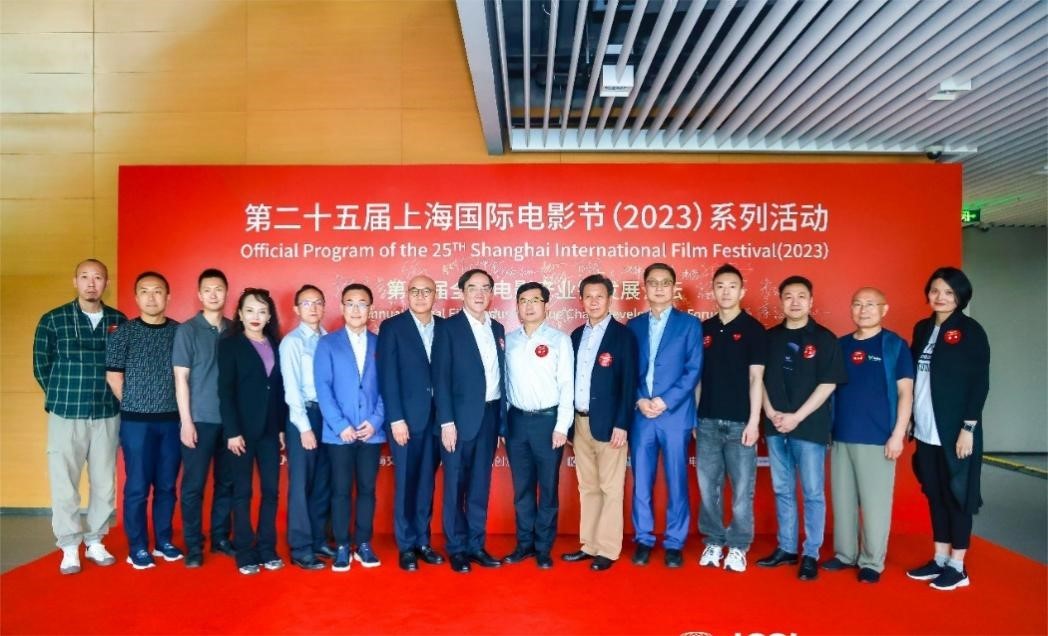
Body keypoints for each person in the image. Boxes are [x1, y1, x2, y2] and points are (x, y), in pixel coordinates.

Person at [33, 259, 126, 574]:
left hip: (107, 412)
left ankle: (96, 540)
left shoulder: (118, 321)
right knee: (64, 482)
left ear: (106, 283)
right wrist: (62, 394)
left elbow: (125, 367)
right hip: (66, 413)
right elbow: (41, 365)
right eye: (85, 277)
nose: (91, 283)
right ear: (75, 281)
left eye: (98, 277)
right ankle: (70, 546)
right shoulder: (53, 320)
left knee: (104, 482)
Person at [757, 275, 847, 581]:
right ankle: (786, 548)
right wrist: (770, 412)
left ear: (811, 301)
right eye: (788, 296)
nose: (794, 302)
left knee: (812, 492)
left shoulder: (824, 338)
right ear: (780, 301)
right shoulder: (769, 338)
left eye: (801, 296)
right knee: (782, 489)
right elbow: (758, 379)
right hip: (775, 425)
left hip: (809, 427)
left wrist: (797, 416)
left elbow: (828, 384)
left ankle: (811, 553)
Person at [906, 267, 990, 591]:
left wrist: (969, 427)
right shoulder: (923, 328)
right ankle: (939, 558)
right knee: (935, 493)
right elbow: (914, 378)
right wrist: (910, 417)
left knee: (958, 495)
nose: (940, 297)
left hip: (956, 432)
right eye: (935, 290)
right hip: (925, 429)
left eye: (949, 292)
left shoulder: (971, 331)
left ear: (960, 297)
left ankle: (958, 565)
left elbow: (979, 383)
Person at [823, 287, 914, 584]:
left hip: (878, 439)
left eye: (871, 304)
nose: (864, 310)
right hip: (841, 436)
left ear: (884, 309)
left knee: (875, 505)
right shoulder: (841, 345)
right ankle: (845, 554)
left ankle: (872, 561)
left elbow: (905, 392)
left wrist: (898, 434)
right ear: (851, 309)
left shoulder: (894, 346)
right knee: (842, 500)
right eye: (858, 304)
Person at [626, 262, 703, 568]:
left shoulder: (690, 325)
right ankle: (643, 538)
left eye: (665, 282)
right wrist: (639, 399)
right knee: (641, 481)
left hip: (675, 415)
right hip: (641, 415)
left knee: (677, 479)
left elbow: (693, 369)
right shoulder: (633, 326)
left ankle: (674, 542)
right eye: (653, 282)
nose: (659, 288)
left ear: (674, 288)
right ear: (645, 288)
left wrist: (665, 400)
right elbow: (628, 370)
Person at [105, 271, 182, 569]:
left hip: (172, 422)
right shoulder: (123, 333)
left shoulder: (179, 332)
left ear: (168, 296)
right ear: (136, 297)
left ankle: (163, 541)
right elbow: (114, 377)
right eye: (145, 291)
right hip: (136, 423)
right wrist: (136, 403)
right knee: (137, 486)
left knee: (167, 485)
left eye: (158, 291)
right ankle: (137, 546)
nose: (152, 297)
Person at [433, 268, 507, 573]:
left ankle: (476, 544)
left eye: (485, 287)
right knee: (455, 485)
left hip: (489, 416)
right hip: (458, 420)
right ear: (462, 292)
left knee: (479, 485)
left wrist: (501, 422)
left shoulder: (497, 328)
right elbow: (440, 378)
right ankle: (456, 548)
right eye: (473, 287)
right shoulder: (448, 328)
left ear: (491, 293)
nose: (479, 293)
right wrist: (446, 422)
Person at [562, 274, 637, 571]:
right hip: (580, 423)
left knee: (610, 488)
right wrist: (568, 425)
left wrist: (622, 424)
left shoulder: (623, 336)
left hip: (610, 425)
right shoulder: (575, 336)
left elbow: (629, 384)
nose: (594, 302)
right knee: (588, 487)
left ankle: (607, 548)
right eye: (588, 297)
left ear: (609, 299)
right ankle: (589, 544)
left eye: (600, 296)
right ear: (581, 300)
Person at [695, 264, 767, 573]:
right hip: (707, 422)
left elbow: (756, 378)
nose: (726, 292)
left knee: (741, 491)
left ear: (742, 291)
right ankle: (714, 540)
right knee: (708, 488)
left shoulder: (753, 329)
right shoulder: (704, 330)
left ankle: (738, 545)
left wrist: (754, 422)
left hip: (740, 424)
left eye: (732, 286)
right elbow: (697, 379)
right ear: (713, 290)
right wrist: (697, 417)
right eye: (720, 286)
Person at [501, 282, 574, 570]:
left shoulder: (559, 340)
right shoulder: (509, 341)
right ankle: (524, 545)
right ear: (517, 307)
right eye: (523, 300)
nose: (529, 306)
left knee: (548, 488)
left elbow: (567, 385)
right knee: (522, 489)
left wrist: (562, 426)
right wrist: (504, 425)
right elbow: (504, 385)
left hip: (548, 423)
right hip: (517, 422)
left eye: (535, 300)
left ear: (546, 306)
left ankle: (543, 547)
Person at [314, 283, 386, 572]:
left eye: (362, 303)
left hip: (371, 432)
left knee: (367, 489)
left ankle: (364, 543)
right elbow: (323, 388)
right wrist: (339, 425)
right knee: (341, 490)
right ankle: (343, 545)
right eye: (350, 303)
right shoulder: (327, 344)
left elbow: (388, 388)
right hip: (339, 434)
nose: (356, 309)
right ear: (342, 307)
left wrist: (376, 421)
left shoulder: (380, 343)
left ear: (370, 308)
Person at [377, 275, 446, 571]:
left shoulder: (444, 327)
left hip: (437, 421)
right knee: (406, 482)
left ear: (435, 295)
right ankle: (406, 546)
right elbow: (387, 376)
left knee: (426, 483)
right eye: (414, 291)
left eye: (426, 291)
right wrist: (396, 418)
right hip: (405, 420)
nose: (420, 296)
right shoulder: (393, 327)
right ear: (407, 295)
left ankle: (423, 541)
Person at [218, 288, 287, 575]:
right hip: (241, 433)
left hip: (270, 431)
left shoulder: (276, 343)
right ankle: (245, 551)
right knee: (242, 492)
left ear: (269, 316)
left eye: (262, 311)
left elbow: (279, 390)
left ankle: (267, 548)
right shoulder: (230, 345)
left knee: (271, 491)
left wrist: (281, 428)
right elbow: (225, 392)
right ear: (240, 314)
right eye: (249, 310)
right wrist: (232, 432)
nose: (255, 316)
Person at [173, 268, 235, 568]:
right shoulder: (187, 330)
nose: (213, 294)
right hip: (199, 420)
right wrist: (186, 422)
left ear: (226, 293)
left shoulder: (234, 329)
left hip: (231, 422)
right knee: (194, 486)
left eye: (218, 289)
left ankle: (221, 538)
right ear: (199, 294)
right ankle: (194, 545)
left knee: (227, 483)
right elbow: (181, 378)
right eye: (207, 289)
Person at [279, 284, 332, 570]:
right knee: (301, 484)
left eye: (318, 302)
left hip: (329, 417)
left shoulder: (329, 339)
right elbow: (291, 390)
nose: (313, 307)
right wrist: (304, 427)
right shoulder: (292, 342)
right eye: (307, 303)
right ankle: (300, 547)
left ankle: (318, 539)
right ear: (296, 309)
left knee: (323, 481)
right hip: (305, 417)